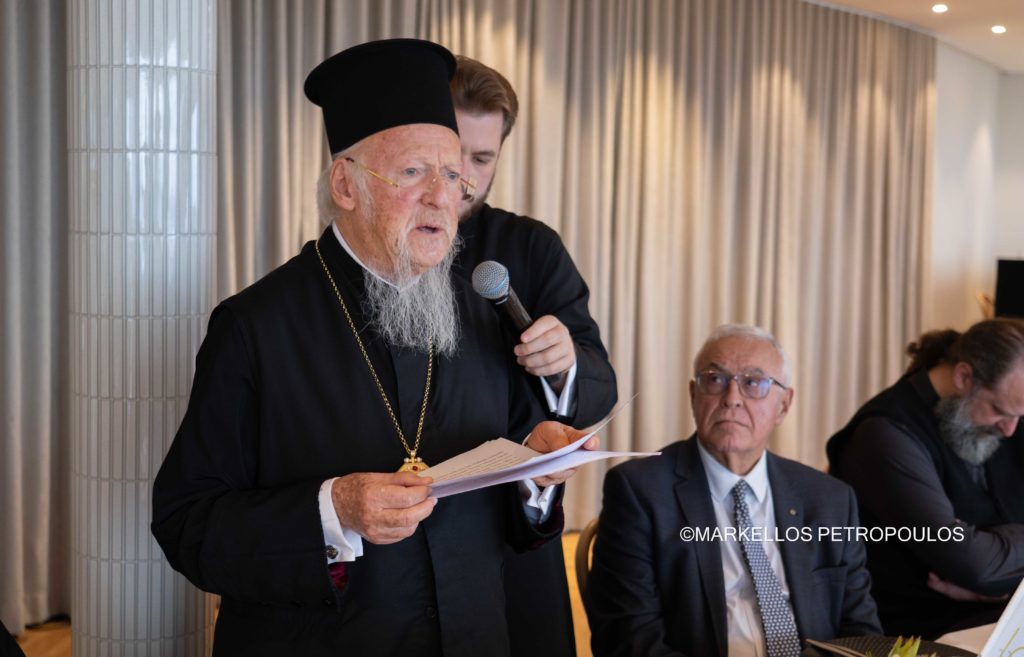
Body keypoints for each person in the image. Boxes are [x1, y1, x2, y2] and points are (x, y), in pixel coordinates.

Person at [151, 39, 594, 657]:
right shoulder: (255, 326)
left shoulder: (481, 313)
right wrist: (332, 510)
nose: (442, 196)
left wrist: (533, 470)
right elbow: (187, 521)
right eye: (413, 172)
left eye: (453, 175)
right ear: (346, 184)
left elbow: (515, 513)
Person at [450, 55, 619, 656]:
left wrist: (566, 362)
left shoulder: (532, 246)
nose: (463, 178)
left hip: (514, 530)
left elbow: (600, 383)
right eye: (453, 153)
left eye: (482, 159)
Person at [586, 324, 881, 657]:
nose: (732, 399)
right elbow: (630, 641)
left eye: (753, 383)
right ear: (693, 395)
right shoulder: (640, 492)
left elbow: (862, 633)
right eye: (715, 379)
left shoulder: (830, 499)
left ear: (784, 405)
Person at [827, 318, 1024, 638]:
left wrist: (1005, 584)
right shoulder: (884, 436)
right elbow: (971, 563)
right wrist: (989, 573)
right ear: (963, 377)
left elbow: (983, 569)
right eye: (1000, 411)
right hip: (918, 634)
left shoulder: (1007, 409)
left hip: (997, 614)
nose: (1010, 430)